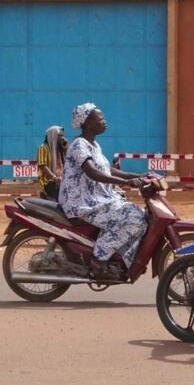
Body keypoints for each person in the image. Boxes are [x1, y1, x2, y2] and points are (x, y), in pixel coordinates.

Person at [58, 103, 149, 278]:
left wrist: (138, 176)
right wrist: (127, 183)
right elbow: (92, 172)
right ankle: (99, 258)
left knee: (140, 216)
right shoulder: (79, 145)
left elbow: (108, 169)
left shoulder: (94, 145)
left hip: (99, 199)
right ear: (88, 123)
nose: (105, 122)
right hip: (82, 202)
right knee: (134, 218)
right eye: (101, 119)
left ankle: (118, 258)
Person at [35, 125, 67, 200]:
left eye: (63, 136)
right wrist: (54, 178)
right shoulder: (43, 148)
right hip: (49, 183)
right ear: (53, 136)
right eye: (60, 136)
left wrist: (66, 149)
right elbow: (43, 166)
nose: (63, 138)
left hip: (60, 181)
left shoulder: (59, 149)